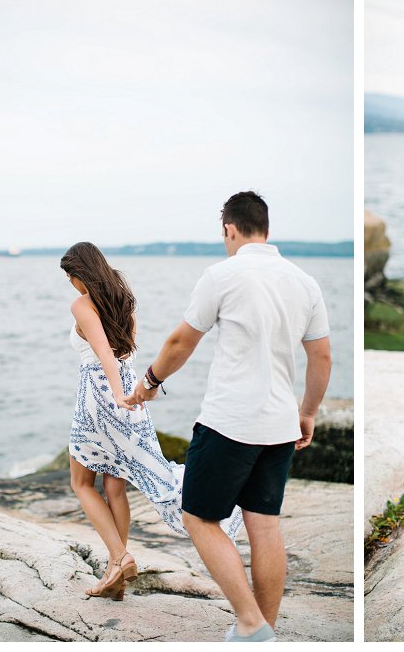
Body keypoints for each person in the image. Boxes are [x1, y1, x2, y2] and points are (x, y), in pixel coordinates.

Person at [125, 191, 332, 643]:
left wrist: (149, 383)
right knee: (264, 524)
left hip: (229, 422)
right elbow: (322, 358)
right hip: (279, 425)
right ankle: (264, 631)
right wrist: (309, 412)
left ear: (229, 230)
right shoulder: (304, 282)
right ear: (267, 230)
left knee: (198, 518)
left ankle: (251, 623)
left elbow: (181, 342)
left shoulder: (222, 275)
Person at [62, 242, 240, 602]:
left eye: (70, 277)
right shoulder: (124, 302)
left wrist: (115, 395)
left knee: (81, 483)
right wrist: (132, 396)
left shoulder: (82, 304)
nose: (71, 284)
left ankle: (119, 557)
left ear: (80, 274)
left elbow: (103, 354)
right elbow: (125, 353)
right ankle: (116, 571)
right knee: (115, 486)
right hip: (131, 394)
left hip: (101, 396)